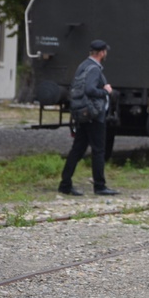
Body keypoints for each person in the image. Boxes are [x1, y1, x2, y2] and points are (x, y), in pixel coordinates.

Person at [58, 39, 119, 196]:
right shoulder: (94, 69)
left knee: (77, 150)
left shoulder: (83, 65)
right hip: (93, 115)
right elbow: (90, 89)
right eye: (105, 51)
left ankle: (65, 184)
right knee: (99, 150)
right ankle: (99, 186)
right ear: (101, 53)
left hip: (82, 114)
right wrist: (106, 91)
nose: (106, 54)